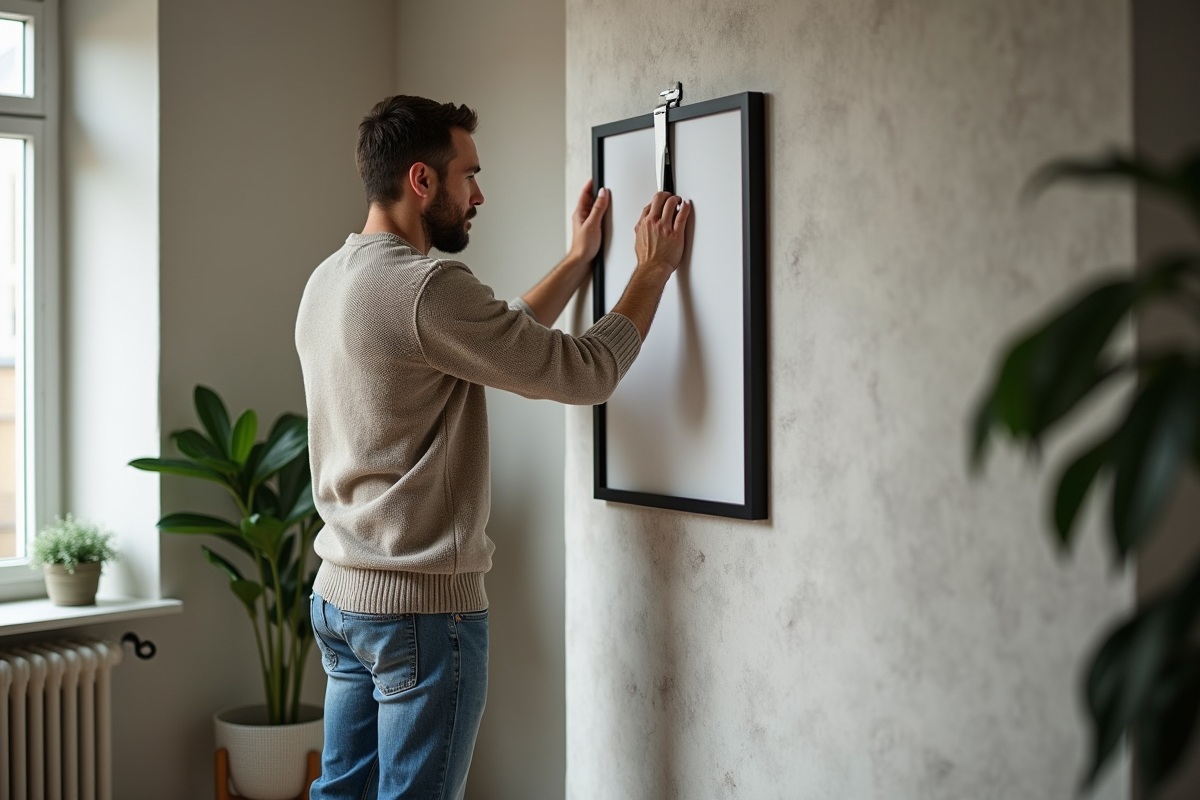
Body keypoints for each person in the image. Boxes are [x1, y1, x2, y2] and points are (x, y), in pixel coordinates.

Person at [295, 95, 690, 800]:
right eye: (467, 175)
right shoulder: (425, 287)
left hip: (342, 598)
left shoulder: (329, 280)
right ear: (422, 180)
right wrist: (651, 272)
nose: (478, 194)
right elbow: (582, 372)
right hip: (417, 609)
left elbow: (495, 339)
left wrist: (577, 262)